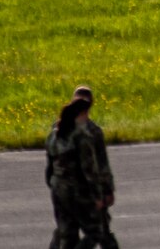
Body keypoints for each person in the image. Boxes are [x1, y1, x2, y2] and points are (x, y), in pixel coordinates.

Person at [45, 97, 110, 249]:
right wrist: (98, 196)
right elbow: (90, 170)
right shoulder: (82, 137)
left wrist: (53, 184)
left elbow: (49, 167)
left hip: (58, 188)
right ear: (82, 114)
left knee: (67, 233)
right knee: (95, 232)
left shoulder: (54, 135)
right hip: (77, 190)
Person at [68, 87, 120, 249]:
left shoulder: (59, 129)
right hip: (87, 191)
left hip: (66, 190)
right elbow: (100, 165)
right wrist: (105, 192)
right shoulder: (92, 132)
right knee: (99, 231)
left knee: (66, 232)